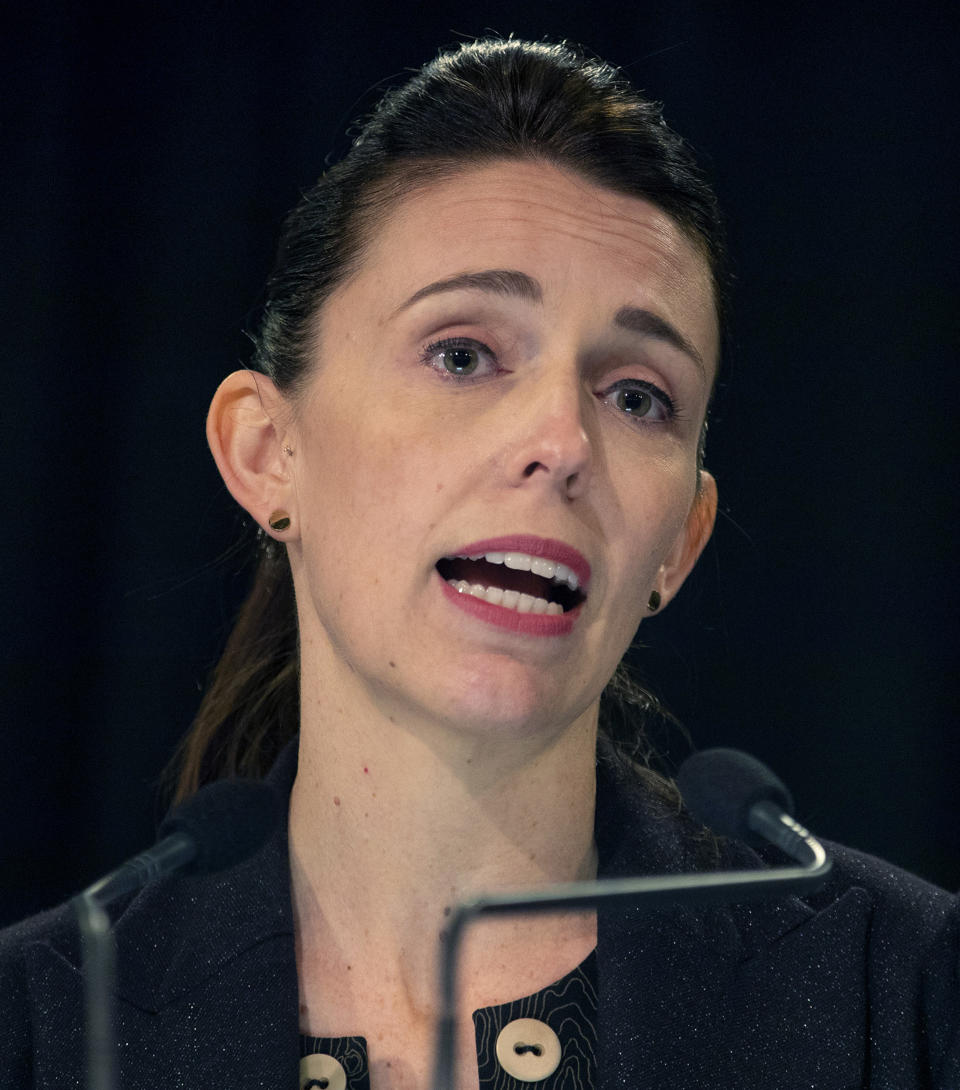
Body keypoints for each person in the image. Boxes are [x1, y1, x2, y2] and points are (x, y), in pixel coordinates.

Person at [1, 37, 956, 1090]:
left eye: (637, 394)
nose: (562, 441)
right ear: (268, 453)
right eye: (464, 354)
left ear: (678, 544)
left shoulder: (907, 996)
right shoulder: (41, 1023)